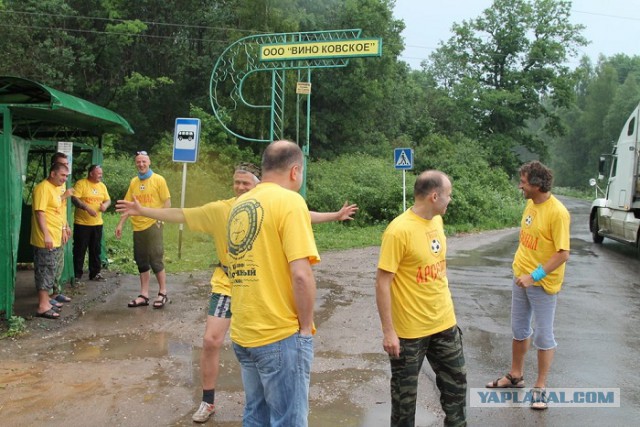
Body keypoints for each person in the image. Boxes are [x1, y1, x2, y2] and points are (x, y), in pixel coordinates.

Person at [115, 162, 357, 423]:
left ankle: (263, 399)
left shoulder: (272, 203)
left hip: (258, 283)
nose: (241, 187)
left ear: (258, 184)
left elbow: (304, 215)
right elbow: (182, 213)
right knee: (211, 340)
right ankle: (208, 401)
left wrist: (334, 215)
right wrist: (144, 211)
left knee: (261, 348)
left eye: (246, 183)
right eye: (237, 182)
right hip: (228, 281)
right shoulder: (223, 209)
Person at [227, 140, 319, 426]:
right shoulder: (290, 202)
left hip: (244, 331)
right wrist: (305, 329)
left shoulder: (241, 204)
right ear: (295, 171)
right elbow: (301, 275)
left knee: (256, 414)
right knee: (289, 419)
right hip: (278, 334)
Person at [375, 170, 467, 427]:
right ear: (434, 196)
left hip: (444, 324)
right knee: (404, 403)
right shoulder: (398, 231)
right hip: (409, 334)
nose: (450, 200)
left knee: (457, 390)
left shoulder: (436, 221)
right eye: (448, 195)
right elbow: (383, 282)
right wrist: (388, 331)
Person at [485, 161, 570, 410]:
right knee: (519, 329)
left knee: (544, 334)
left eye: (523, 182)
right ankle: (515, 375)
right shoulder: (530, 204)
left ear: (536, 184)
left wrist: (534, 276)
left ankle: (541, 387)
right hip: (520, 276)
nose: (519, 186)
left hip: (542, 283)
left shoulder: (558, 213)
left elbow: (563, 253)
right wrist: (522, 272)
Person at [115, 151, 171, 309]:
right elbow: (128, 205)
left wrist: (162, 219)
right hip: (137, 226)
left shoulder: (158, 180)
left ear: (149, 162)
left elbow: (167, 202)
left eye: (143, 161)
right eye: (138, 162)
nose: (141, 164)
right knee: (141, 260)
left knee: (156, 259)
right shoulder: (134, 182)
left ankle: (162, 293)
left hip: (154, 224)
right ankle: (144, 294)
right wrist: (120, 224)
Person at [31, 162, 72, 319]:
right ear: (53, 173)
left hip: (55, 237)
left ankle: (47, 301)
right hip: (44, 239)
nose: (65, 179)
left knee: (51, 270)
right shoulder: (43, 188)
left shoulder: (55, 189)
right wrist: (46, 234)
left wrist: (63, 227)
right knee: (44, 270)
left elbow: (57, 211)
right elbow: (40, 213)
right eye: (62, 175)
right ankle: (42, 305)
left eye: (66, 176)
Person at [72, 164, 111, 281]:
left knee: (96, 249)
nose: (101, 176)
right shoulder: (81, 184)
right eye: (98, 173)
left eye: (101, 174)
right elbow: (74, 199)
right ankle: (77, 275)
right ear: (91, 173)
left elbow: (108, 200)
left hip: (97, 223)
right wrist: (87, 208)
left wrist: (105, 205)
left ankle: (95, 273)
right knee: (80, 249)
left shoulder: (102, 186)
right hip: (82, 223)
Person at [50, 152, 73, 306]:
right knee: (50, 265)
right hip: (50, 230)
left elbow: (62, 208)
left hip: (60, 227)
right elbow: (48, 207)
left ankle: (56, 292)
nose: (66, 166)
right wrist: (64, 196)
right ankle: (48, 295)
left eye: (67, 163)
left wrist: (66, 226)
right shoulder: (47, 186)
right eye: (62, 164)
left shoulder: (62, 184)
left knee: (59, 264)